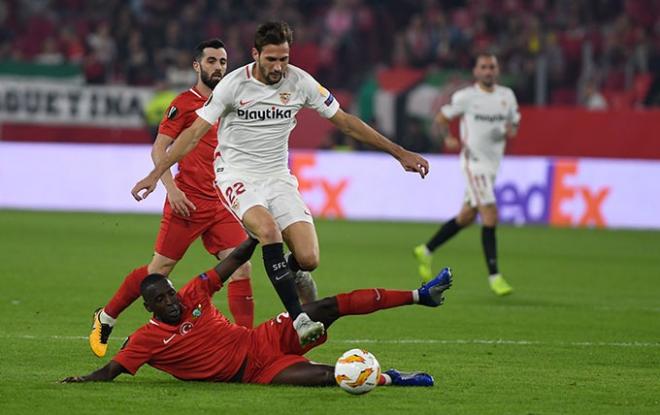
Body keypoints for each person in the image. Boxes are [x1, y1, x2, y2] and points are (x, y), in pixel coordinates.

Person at [130, 21, 431, 346]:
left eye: (283, 59)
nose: (278, 66)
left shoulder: (300, 82)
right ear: (256, 54)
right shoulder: (232, 85)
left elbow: (345, 122)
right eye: (271, 59)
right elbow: (191, 136)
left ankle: (293, 269)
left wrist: (399, 153)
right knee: (268, 231)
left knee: (308, 258)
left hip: (278, 178)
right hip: (235, 174)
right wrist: (155, 173)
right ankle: (299, 318)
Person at [63, 238, 452, 387]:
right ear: (149, 307)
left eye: (170, 292)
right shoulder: (146, 339)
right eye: (163, 299)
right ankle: (392, 378)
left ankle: (421, 295)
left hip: (261, 338)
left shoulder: (194, 292)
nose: (172, 300)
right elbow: (111, 370)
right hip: (254, 372)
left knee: (328, 306)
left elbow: (231, 263)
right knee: (329, 377)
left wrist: (257, 234)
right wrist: (82, 379)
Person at [89, 39, 256, 358]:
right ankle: (106, 317)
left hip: (221, 203)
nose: (218, 67)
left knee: (241, 268)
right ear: (197, 66)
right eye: (211, 61)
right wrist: (171, 188)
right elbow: (158, 149)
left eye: (222, 62)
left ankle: (247, 344)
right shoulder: (184, 103)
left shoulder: (233, 104)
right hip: (187, 201)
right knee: (158, 272)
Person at [413, 53, 520, 296]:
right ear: (476, 71)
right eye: (484, 67)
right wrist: (447, 137)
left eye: (492, 67)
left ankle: (426, 249)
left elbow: (515, 123)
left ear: (497, 70)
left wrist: (509, 129)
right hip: (474, 163)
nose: (488, 71)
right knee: (490, 214)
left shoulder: (507, 97)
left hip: (493, 165)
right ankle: (495, 277)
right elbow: (440, 118)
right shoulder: (467, 97)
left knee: (466, 217)